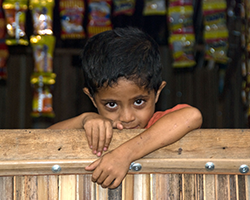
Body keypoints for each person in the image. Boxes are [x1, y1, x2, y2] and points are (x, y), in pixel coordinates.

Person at [48, 27, 202, 189]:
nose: (127, 117)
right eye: (112, 105)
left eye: (139, 102)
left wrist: (124, 154)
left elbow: (192, 116)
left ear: (157, 93)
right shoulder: (95, 130)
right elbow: (41, 140)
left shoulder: (159, 124)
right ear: (92, 99)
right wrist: (84, 120)